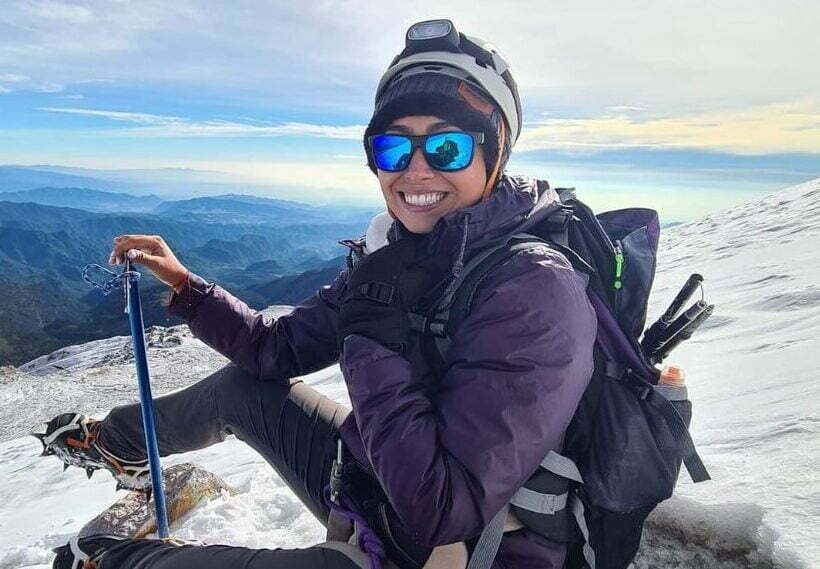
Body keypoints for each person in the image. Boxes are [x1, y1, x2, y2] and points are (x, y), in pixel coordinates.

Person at [40, 19, 596, 569]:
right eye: (393, 148)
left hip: (451, 551)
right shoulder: (400, 258)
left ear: (495, 155)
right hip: (374, 484)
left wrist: (372, 337)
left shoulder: (533, 288)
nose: (417, 169)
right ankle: (118, 443)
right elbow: (273, 350)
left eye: (448, 147)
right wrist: (187, 287)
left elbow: (440, 511)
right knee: (243, 387)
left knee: (106, 560)